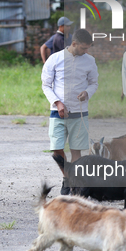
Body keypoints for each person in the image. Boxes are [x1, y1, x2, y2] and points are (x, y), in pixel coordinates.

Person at [42, 29, 98, 195]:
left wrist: (87, 92)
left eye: (88, 48)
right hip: (57, 112)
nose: (86, 51)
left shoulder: (90, 61)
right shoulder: (55, 59)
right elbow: (46, 85)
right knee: (56, 148)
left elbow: (94, 83)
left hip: (79, 112)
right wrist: (57, 102)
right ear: (74, 44)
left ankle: (73, 183)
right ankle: (66, 176)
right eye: (83, 48)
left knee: (76, 150)